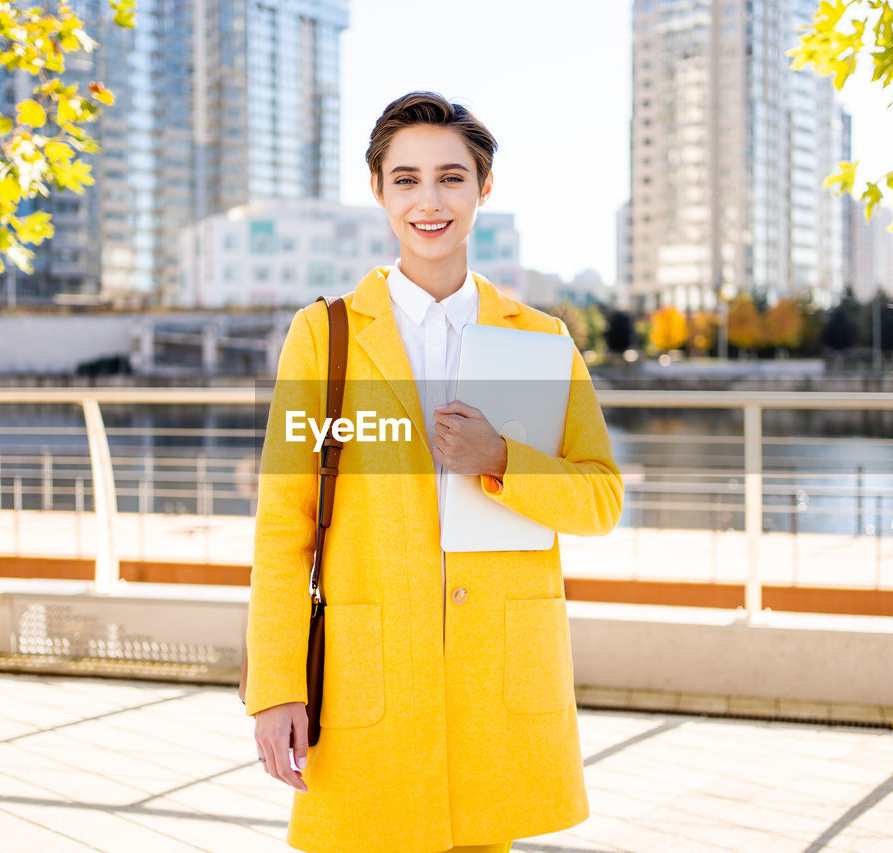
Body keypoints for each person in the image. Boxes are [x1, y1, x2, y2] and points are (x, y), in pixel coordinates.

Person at [243, 91, 623, 853]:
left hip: (496, 691)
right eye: (406, 178)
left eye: (451, 177)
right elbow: (285, 523)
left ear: (484, 189)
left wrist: (503, 461)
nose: (429, 200)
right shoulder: (326, 338)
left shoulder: (540, 339)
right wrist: (276, 683)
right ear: (380, 191)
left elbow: (601, 499)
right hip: (369, 678)